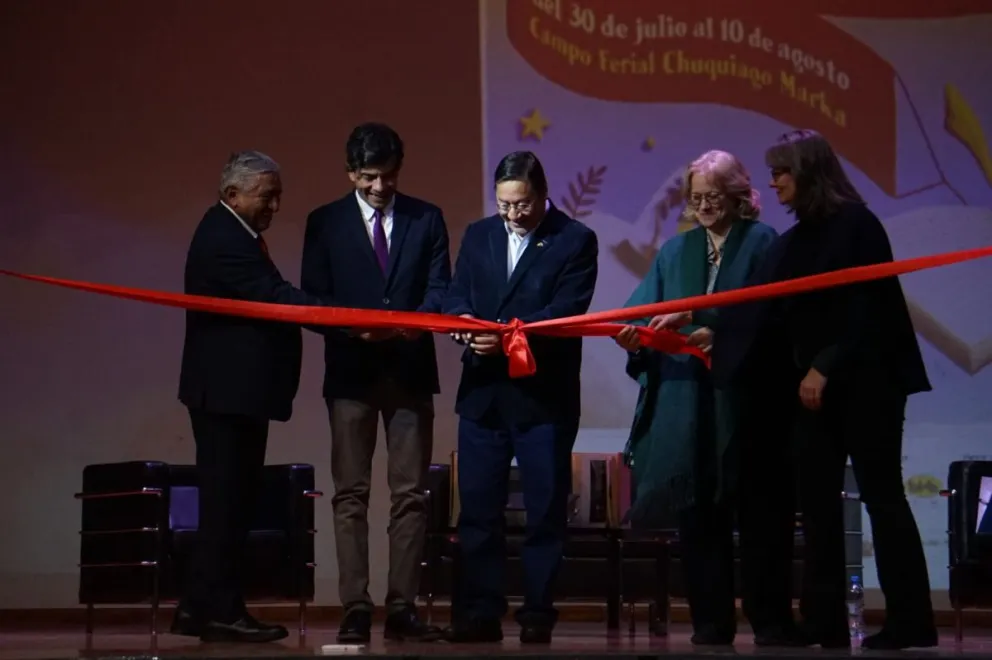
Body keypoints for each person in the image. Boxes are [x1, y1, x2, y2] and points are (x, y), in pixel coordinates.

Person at [715, 129, 937, 650]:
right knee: (815, 507)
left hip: (869, 386)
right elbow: (764, 311)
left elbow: (865, 307)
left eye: (781, 171)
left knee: (883, 498)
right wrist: (712, 334)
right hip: (813, 395)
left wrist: (824, 366)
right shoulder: (794, 241)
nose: (772, 182)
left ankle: (912, 621)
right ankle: (825, 622)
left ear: (809, 172)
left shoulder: (858, 226)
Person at [614, 150, 799, 647]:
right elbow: (641, 310)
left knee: (760, 517)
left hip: (746, 401)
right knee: (697, 516)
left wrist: (715, 331)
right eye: (696, 198)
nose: (703, 207)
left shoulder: (764, 243)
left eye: (713, 197)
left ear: (739, 195)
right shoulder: (676, 251)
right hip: (689, 401)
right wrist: (632, 334)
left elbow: (774, 316)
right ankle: (710, 624)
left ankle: (772, 622)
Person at [300, 123, 450, 643]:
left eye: (388, 176)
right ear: (350, 172)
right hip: (350, 374)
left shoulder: (426, 218)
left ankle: (403, 607)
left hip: (409, 372)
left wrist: (415, 323)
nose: (380, 187)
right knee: (350, 494)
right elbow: (312, 300)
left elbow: (440, 293)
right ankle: (356, 606)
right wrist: (350, 327)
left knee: (410, 494)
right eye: (369, 177)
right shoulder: (324, 223)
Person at [441, 151, 598, 644]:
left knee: (544, 510)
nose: (513, 215)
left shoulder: (575, 239)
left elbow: (565, 311)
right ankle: (481, 612)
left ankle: (536, 612)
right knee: (478, 512)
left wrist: (506, 337)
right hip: (483, 395)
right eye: (505, 205)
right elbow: (455, 296)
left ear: (542, 193)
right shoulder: (479, 234)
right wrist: (466, 328)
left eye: (522, 204)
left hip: (541, 398)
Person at [175, 150, 325, 643]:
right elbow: (274, 297)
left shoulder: (236, 233)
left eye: (278, 194)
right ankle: (219, 609)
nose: (276, 205)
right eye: (267, 195)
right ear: (232, 194)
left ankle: (197, 606)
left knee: (231, 501)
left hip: (235, 395)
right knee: (227, 504)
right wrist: (337, 314)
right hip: (225, 396)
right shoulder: (223, 239)